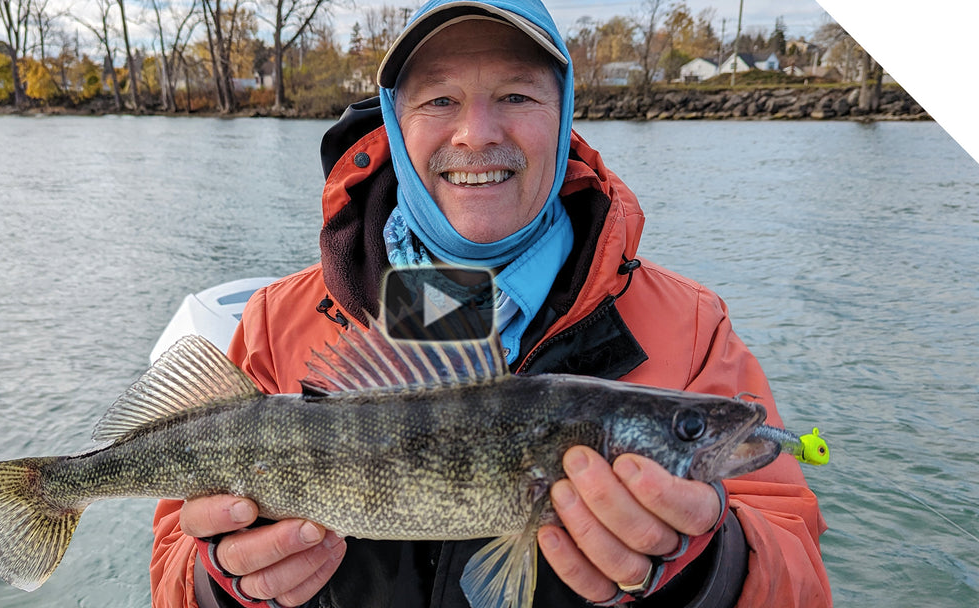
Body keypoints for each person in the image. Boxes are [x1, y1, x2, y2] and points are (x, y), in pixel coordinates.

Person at [150, 1, 831, 606]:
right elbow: (172, 570)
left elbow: (799, 577)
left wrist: (705, 571)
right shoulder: (274, 323)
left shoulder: (694, 329)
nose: (477, 133)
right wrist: (222, 582)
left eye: (515, 95)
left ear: (563, 116)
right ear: (394, 121)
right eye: (439, 100)